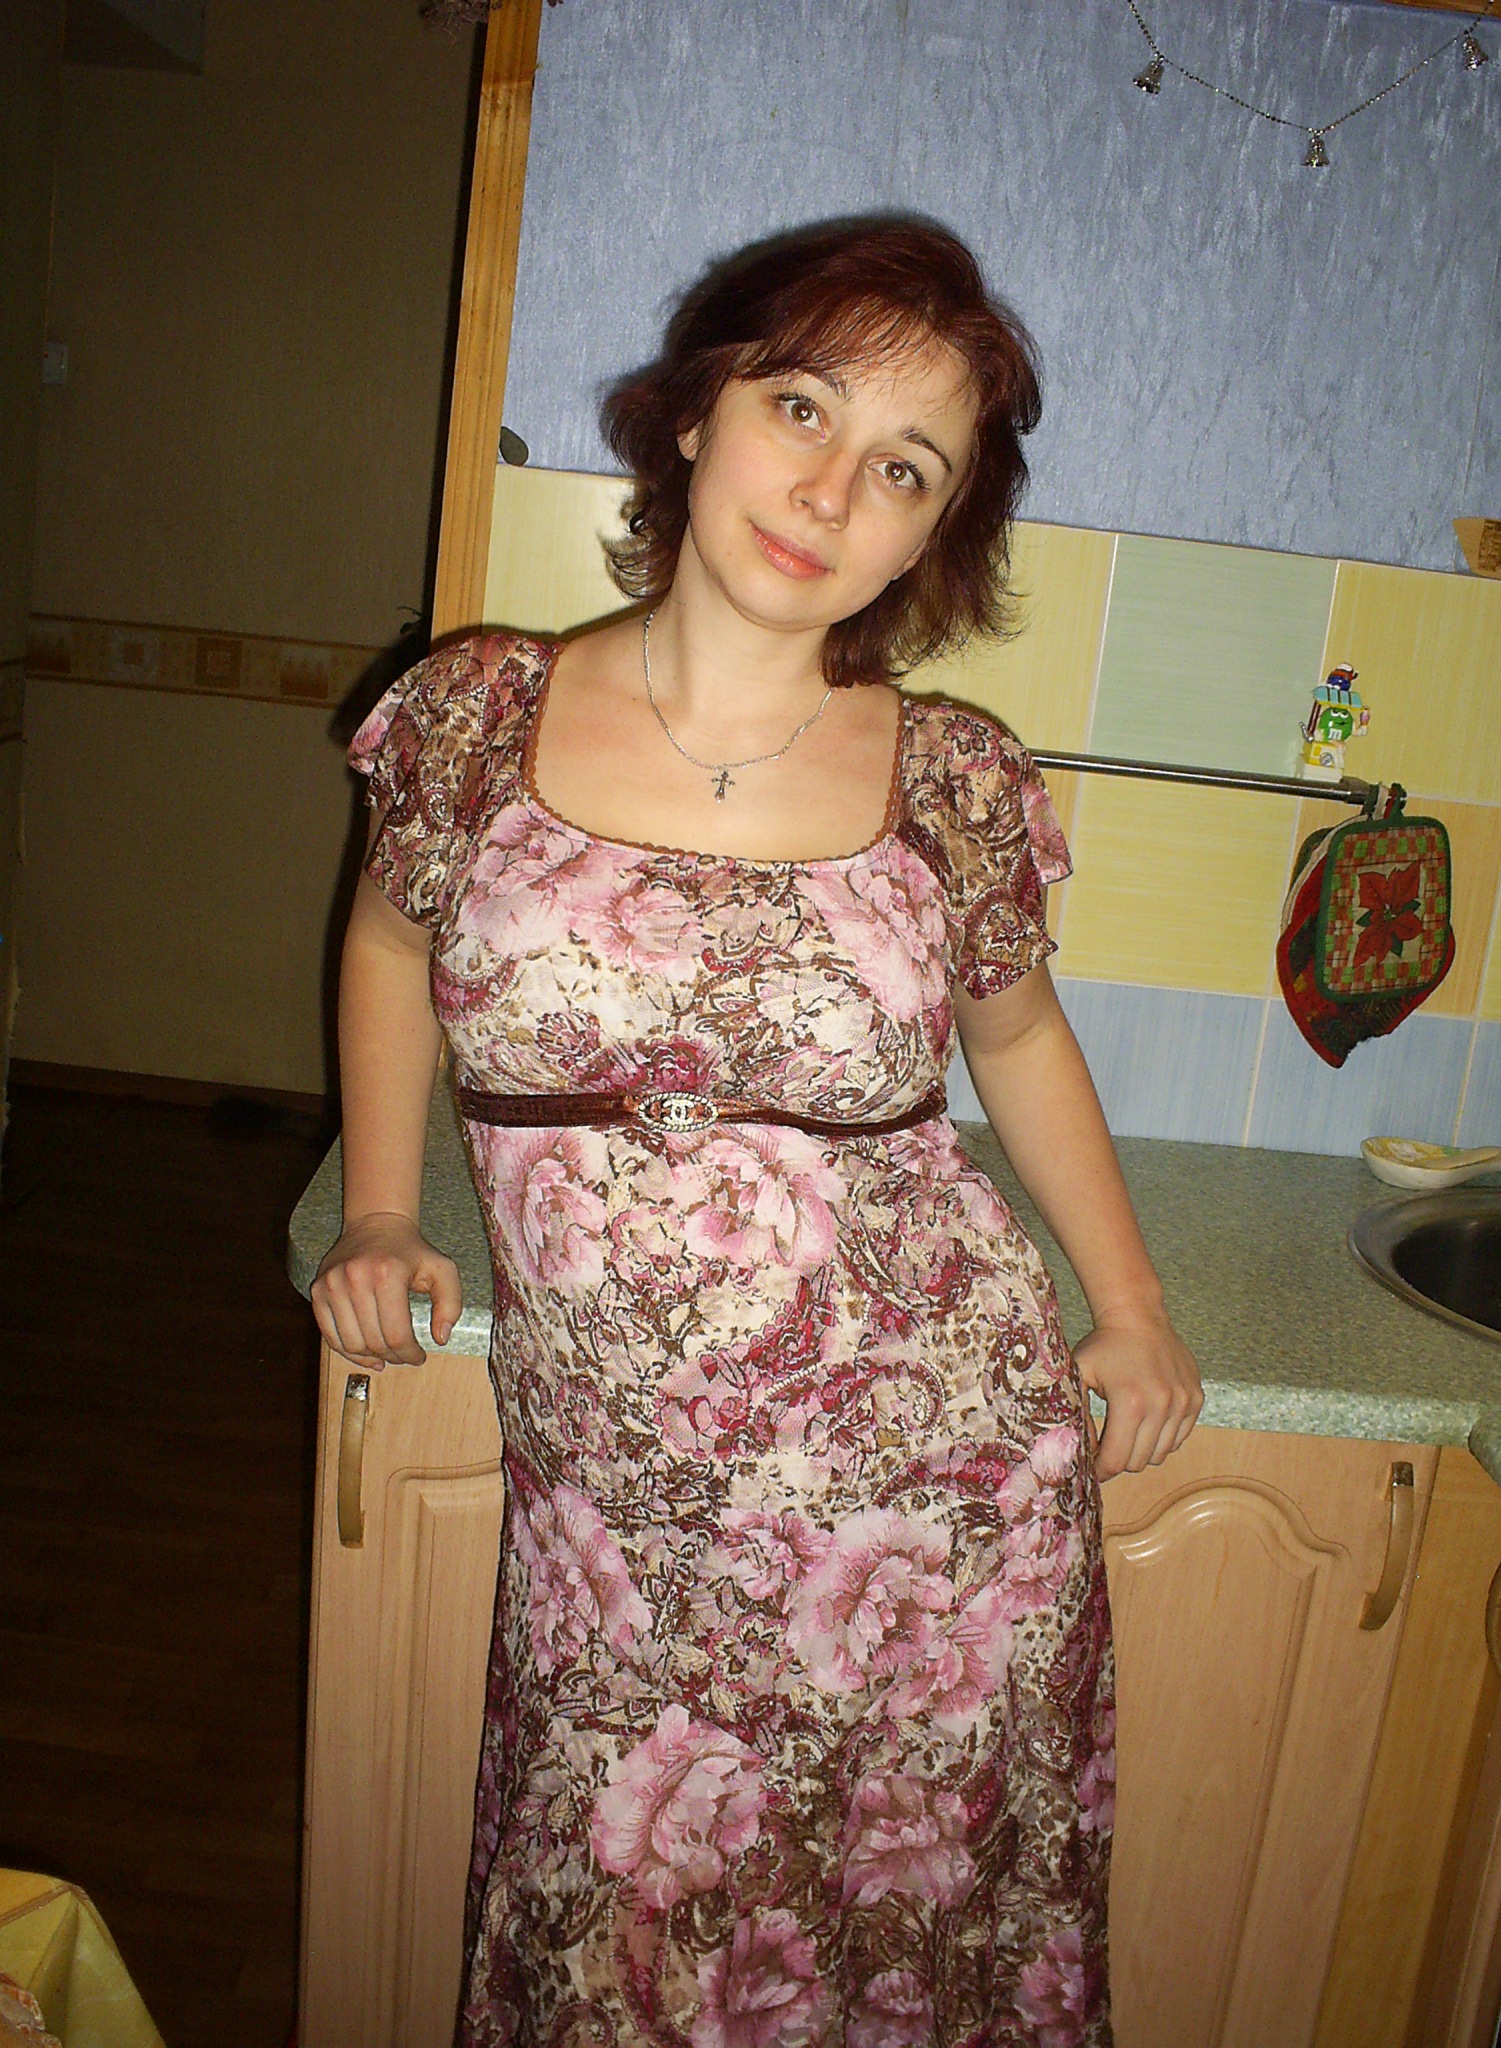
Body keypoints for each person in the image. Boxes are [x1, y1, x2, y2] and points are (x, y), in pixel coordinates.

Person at [312, 217, 1201, 2048]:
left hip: (941, 1506)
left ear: (930, 538)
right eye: (801, 407)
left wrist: (1130, 1308)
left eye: (905, 469)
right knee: (617, 1952)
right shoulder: (476, 714)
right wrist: (383, 1212)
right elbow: (390, 946)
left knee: (916, 1950)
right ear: (696, 411)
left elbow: (1021, 1037)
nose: (829, 490)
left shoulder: (952, 776)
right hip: (623, 1522)